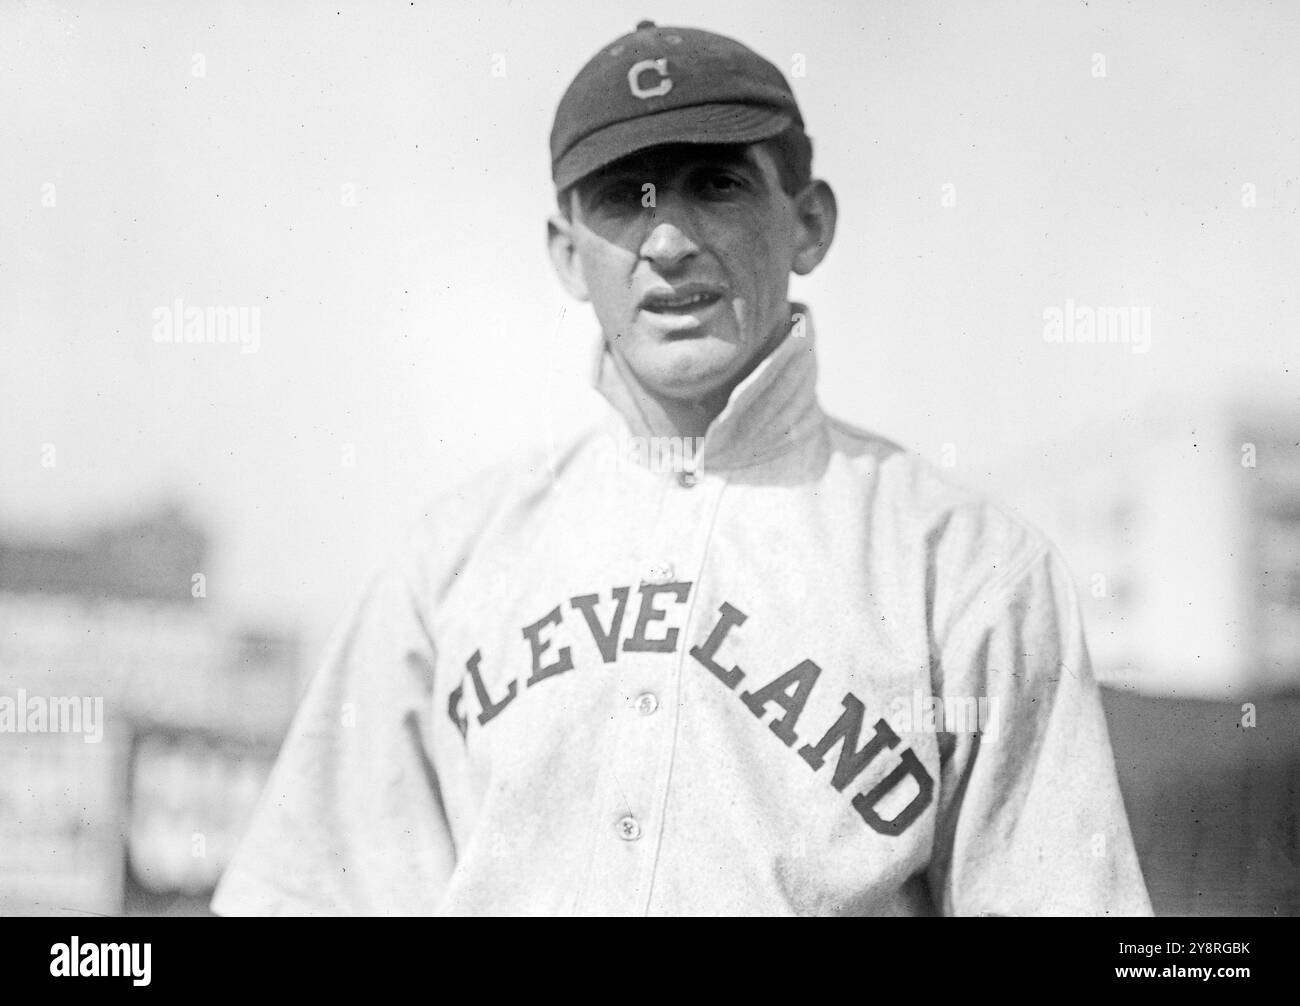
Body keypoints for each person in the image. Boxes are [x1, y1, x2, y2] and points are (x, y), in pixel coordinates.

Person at [212, 21, 1152, 917]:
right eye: (626, 197)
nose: (669, 242)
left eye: (717, 184)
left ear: (810, 223)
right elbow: (301, 895)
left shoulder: (966, 568)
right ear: (567, 254)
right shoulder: (454, 558)